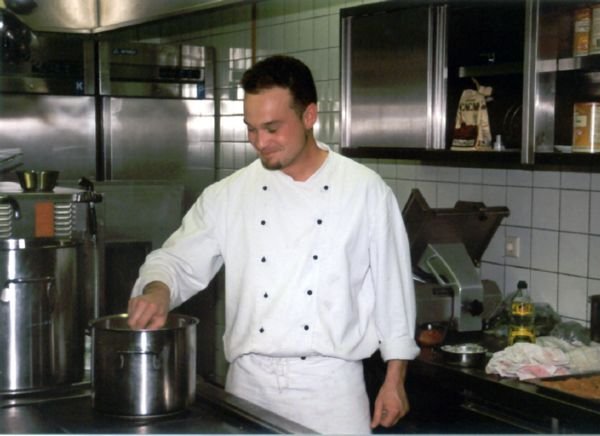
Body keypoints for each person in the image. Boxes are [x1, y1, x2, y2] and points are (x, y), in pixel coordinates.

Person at [127, 55, 419, 434]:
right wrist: (158, 290)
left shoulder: (364, 191)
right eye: (251, 129)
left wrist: (395, 380)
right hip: (248, 384)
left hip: (331, 390)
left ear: (309, 115)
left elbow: (393, 293)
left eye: (272, 128)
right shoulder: (229, 195)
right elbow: (176, 260)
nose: (260, 143)